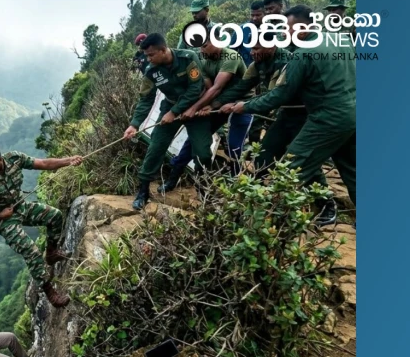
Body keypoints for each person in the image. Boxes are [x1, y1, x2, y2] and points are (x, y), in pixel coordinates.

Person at [230, 5, 356, 221]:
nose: (284, 34)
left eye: (287, 29)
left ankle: (269, 226)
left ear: (302, 29)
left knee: (291, 169)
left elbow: (281, 94)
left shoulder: (302, 54)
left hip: (327, 118)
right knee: (352, 170)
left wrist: (245, 106)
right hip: (353, 113)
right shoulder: (341, 41)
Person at [216, 33, 335, 226]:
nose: (252, 53)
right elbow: (242, 87)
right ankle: (262, 199)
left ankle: (326, 205)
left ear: (271, 46)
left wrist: (245, 106)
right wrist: (217, 102)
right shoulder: (258, 64)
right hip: (285, 116)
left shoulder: (290, 60)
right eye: (251, 49)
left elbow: (279, 95)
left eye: (256, 48)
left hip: (305, 116)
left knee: (305, 158)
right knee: (265, 153)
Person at [0, 144, 83, 308]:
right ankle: (49, 291)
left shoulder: (14, 158)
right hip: (3, 220)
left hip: (19, 206)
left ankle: (51, 252)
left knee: (55, 215)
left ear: (1, 159)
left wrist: (68, 161)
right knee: (31, 250)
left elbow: (43, 164)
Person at [124, 33, 214, 210]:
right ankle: (143, 192)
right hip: (170, 108)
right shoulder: (151, 70)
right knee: (155, 148)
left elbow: (196, 88)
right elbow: (145, 99)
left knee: (203, 152)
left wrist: (175, 112)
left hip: (195, 108)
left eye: (151, 55)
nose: (148, 59)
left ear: (163, 50)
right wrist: (134, 124)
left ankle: (204, 190)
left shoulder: (188, 58)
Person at [157, 28, 252, 192]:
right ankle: (174, 177)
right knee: (196, 139)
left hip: (240, 103)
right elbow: (206, 85)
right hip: (217, 103)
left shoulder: (231, 56)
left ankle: (237, 187)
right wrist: (204, 107)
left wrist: (197, 108)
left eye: (205, 45)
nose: (202, 50)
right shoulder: (201, 57)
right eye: (200, 47)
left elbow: (216, 87)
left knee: (235, 146)